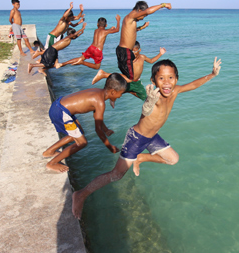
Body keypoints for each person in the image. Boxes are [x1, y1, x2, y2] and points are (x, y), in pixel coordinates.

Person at [72, 57, 222, 219]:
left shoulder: (176, 90)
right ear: (153, 80)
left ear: (176, 79)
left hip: (152, 137)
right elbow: (146, 110)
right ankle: (81, 194)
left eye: (170, 78)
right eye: (161, 78)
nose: (166, 82)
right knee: (116, 174)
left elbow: (192, 85)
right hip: (136, 138)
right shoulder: (154, 96)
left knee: (173, 159)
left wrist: (212, 74)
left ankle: (141, 158)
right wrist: (149, 101)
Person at [43, 73, 127, 173]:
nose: (120, 96)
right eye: (121, 93)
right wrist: (110, 147)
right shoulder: (100, 102)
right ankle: (52, 163)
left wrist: (106, 130)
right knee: (82, 142)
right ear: (113, 92)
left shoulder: (97, 92)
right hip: (62, 112)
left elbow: (97, 117)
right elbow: (98, 129)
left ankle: (49, 151)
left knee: (79, 133)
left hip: (58, 105)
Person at [92, 41, 166, 101]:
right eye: (132, 52)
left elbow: (152, 60)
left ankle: (129, 91)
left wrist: (160, 54)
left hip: (137, 82)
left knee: (145, 97)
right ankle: (103, 75)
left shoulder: (142, 57)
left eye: (136, 51)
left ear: (139, 50)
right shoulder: (128, 59)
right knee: (110, 93)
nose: (134, 53)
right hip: (126, 80)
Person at [115, 1, 171, 82]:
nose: (142, 18)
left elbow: (132, 32)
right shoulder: (131, 15)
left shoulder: (130, 19)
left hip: (125, 51)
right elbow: (148, 11)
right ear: (140, 10)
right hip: (125, 51)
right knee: (131, 79)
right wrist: (163, 5)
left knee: (128, 78)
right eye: (143, 15)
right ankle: (104, 74)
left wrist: (142, 27)